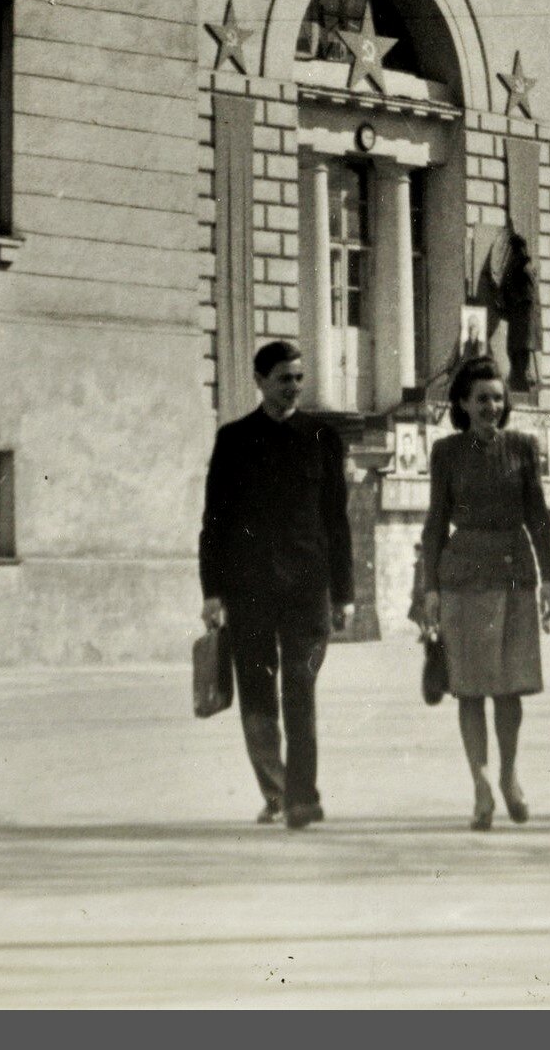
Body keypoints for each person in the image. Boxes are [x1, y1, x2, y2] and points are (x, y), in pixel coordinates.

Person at [198, 339, 354, 829]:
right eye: (284, 378)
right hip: (250, 591)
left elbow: (337, 520)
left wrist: (345, 592)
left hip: (309, 587)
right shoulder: (234, 440)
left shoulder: (323, 438)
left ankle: (300, 796)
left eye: (299, 378)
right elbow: (215, 522)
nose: (294, 387)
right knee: (259, 695)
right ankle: (280, 790)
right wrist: (212, 592)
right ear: (260, 381)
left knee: (301, 691)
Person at [415, 356, 550, 831]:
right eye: (482, 399)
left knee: (510, 686)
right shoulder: (446, 452)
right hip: (462, 577)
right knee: (470, 689)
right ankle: (479, 786)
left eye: (498, 398)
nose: (491, 406)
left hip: (516, 571)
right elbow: (435, 521)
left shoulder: (523, 447)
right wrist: (428, 587)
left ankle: (509, 775)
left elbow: (538, 517)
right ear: (462, 403)